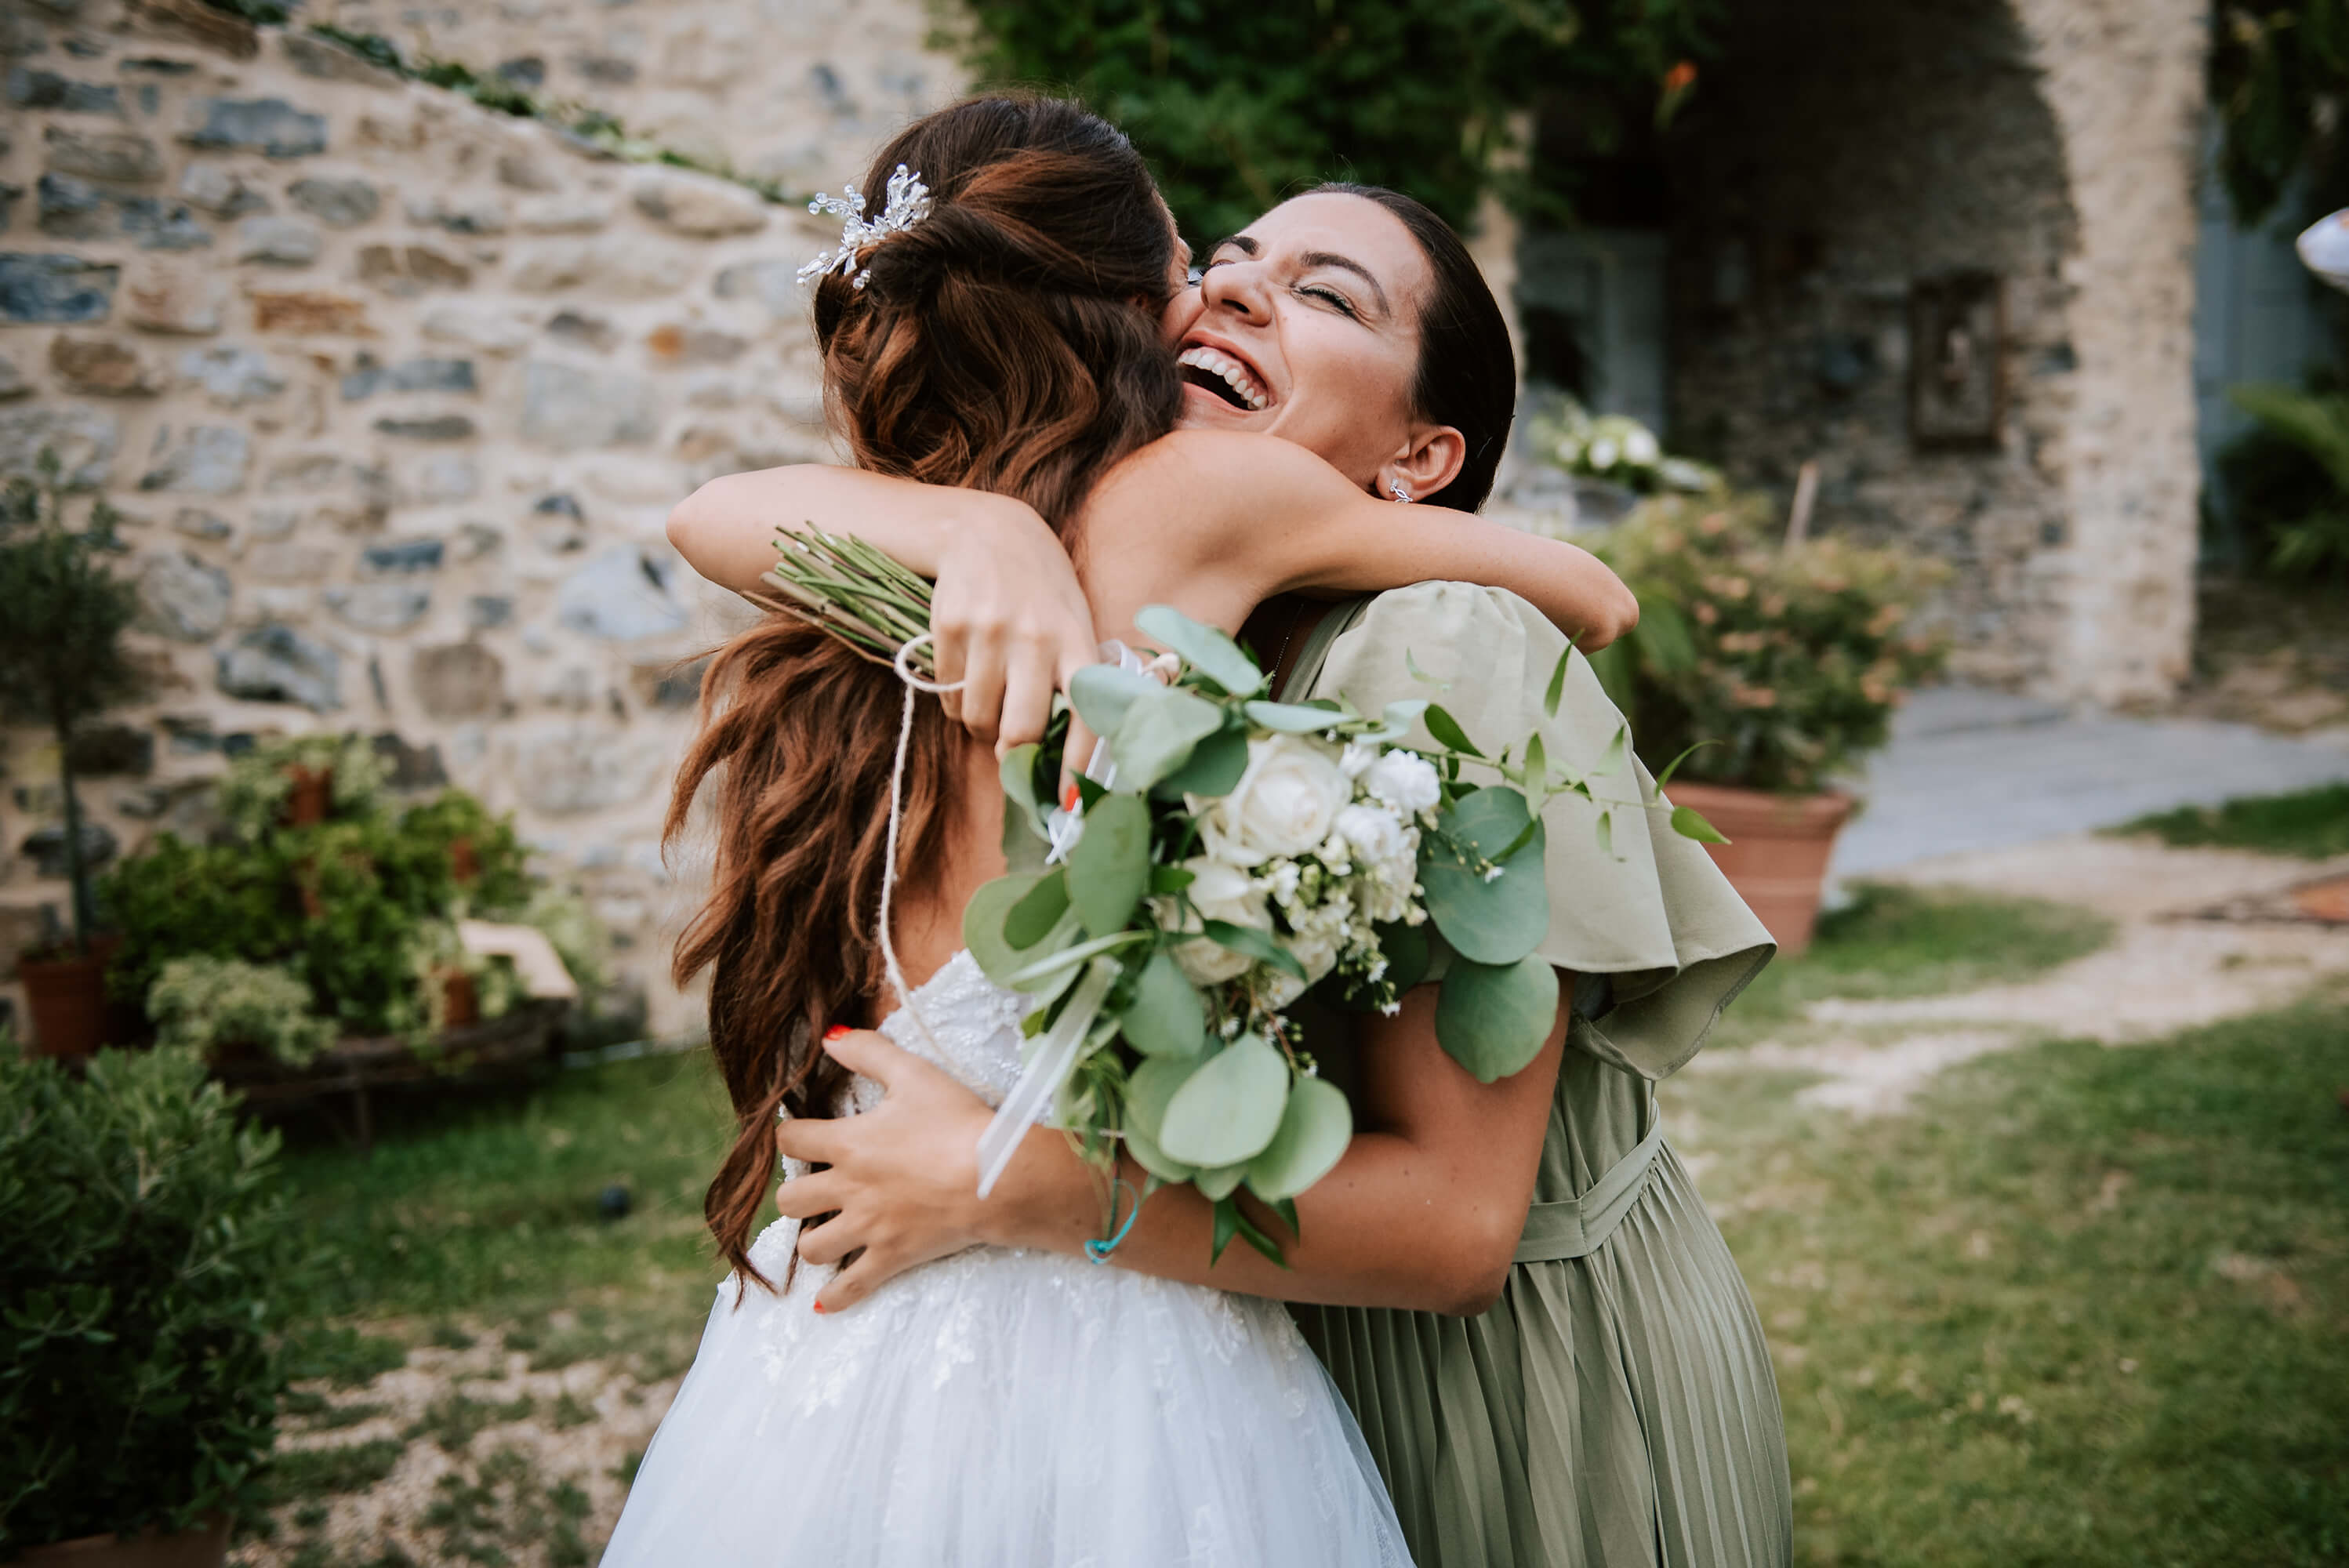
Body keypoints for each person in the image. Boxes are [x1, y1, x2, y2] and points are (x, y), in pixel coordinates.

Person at [672, 178, 1795, 1566]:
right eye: (1228, 262)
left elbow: (1456, 1227)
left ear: (1423, 459)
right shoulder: (1062, 588)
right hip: (1212, 1347)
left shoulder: (1438, 643)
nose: (1241, 290)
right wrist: (983, 530)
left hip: (1511, 1399)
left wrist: (997, 1180)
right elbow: (728, 513)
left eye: (1328, 295)